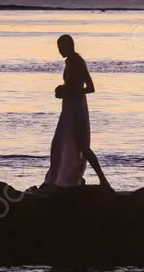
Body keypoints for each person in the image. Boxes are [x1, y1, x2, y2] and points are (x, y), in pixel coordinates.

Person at [43, 34, 110, 189]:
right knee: (62, 143)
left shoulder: (78, 62)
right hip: (68, 108)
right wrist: (63, 90)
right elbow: (72, 85)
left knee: (82, 146)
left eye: (61, 47)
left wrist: (68, 92)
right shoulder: (69, 62)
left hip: (76, 109)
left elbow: (90, 88)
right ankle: (71, 178)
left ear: (69, 46)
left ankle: (103, 180)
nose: (59, 50)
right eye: (58, 47)